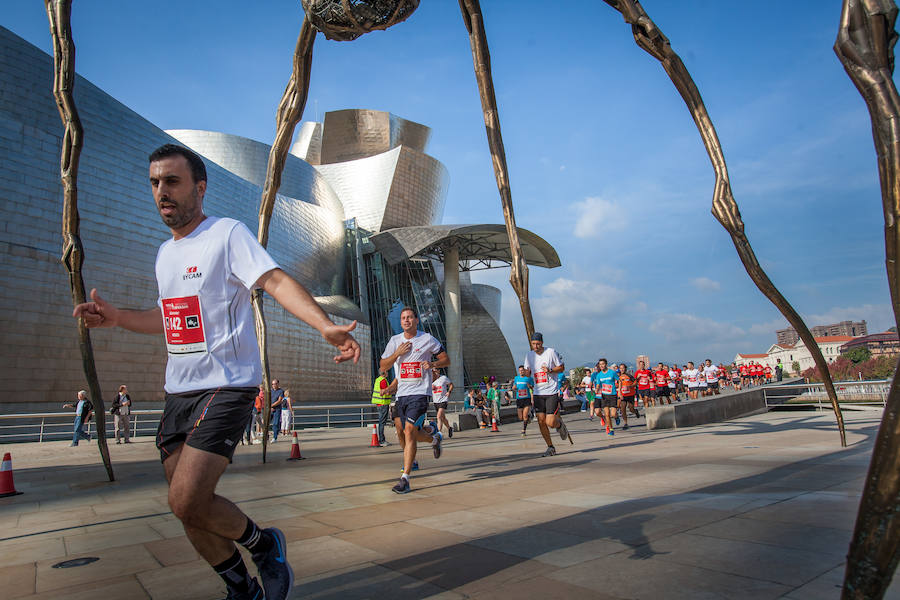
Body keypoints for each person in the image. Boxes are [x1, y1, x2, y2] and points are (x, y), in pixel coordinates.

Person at [72, 144, 360, 600]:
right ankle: (240, 587)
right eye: (154, 183)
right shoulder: (165, 254)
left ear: (199, 188)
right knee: (191, 510)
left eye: (172, 181)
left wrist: (324, 325)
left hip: (227, 387)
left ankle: (264, 545)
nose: (161, 192)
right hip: (178, 395)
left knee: (185, 499)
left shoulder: (227, 234)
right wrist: (117, 318)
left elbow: (275, 280)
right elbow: (169, 320)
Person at [380, 306, 448, 494]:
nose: (407, 320)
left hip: (419, 394)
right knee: (403, 432)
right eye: (403, 318)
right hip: (401, 395)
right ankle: (434, 439)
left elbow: (446, 359)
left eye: (410, 317)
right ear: (400, 322)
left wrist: (433, 363)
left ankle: (405, 479)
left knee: (410, 431)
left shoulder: (427, 339)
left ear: (416, 320)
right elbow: (383, 365)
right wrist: (397, 354)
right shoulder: (395, 341)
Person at [523, 332, 570, 457]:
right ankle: (550, 447)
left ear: (542, 343)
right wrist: (526, 373)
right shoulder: (529, 355)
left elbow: (561, 367)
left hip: (551, 392)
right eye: (533, 344)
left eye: (538, 344)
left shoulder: (551, 352)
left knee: (550, 422)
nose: (536, 346)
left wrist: (550, 370)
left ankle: (559, 425)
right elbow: (528, 373)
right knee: (541, 421)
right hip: (538, 393)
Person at [592, 358, 619, 436]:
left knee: (613, 414)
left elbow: (619, 380)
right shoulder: (599, 375)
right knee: (607, 414)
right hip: (604, 396)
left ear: (606, 364)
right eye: (600, 364)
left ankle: (616, 417)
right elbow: (597, 384)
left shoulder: (612, 372)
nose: (601, 366)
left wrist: (619, 390)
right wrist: (596, 390)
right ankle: (611, 429)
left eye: (603, 364)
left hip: (613, 395)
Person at [372, 369, 397, 446]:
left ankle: (381, 440)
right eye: (387, 372)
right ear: (384, 373)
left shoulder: (378, 379)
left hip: (379, 403)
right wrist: (394, 391)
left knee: (381, 422)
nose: (388, 373)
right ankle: (382, 441)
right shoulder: (383, 381)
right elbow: (386, 391)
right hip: (383, 403)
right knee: (382, 422)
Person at [431, 368, 454, 438]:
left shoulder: (443, 378)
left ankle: (438, 433)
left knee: (438, 416)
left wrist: (449, 392)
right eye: (433, 371)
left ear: (438, 371)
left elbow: (451, 384)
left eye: (435, 371)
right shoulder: (430, 379)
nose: (434, 373)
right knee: (442, 418)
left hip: (443, 399)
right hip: (435, 400)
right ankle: (449, 428)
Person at [513, 365, 535, 436]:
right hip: (519, 399)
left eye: (522, 370)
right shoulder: (516, 378)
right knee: (520, 417)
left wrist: (530, 386)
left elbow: (533, 387)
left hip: (526, 399)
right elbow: (514, 386)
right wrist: (514, 387)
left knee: (524, 415)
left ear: (524, 371)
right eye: (520, 370)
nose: (521, 372)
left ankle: (524, 430)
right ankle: (528, 418)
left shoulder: (529, 378)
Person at [270, 378, 285, 443]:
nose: (273, 385)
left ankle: (274, 437)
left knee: (275, 423)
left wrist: (272, 405)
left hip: (277, 409)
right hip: (270, 409)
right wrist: (269, 407)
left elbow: (279, 400)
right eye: (272, 384)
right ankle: (266, 436)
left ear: (278, 384)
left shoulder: (281, 391)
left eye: (275, 384)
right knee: (266, 423)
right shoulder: (270, 391)